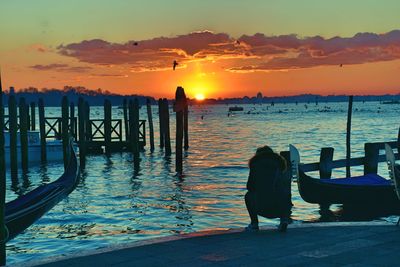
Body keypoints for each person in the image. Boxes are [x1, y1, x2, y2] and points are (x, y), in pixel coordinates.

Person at [244, 145, 292, 232]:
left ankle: (254, 224)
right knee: (285, 193)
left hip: (260, 205)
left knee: (248, 196)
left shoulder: (255, 165)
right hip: (279, 207)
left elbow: (249, 186)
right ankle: (283, 220)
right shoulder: (280, 165)